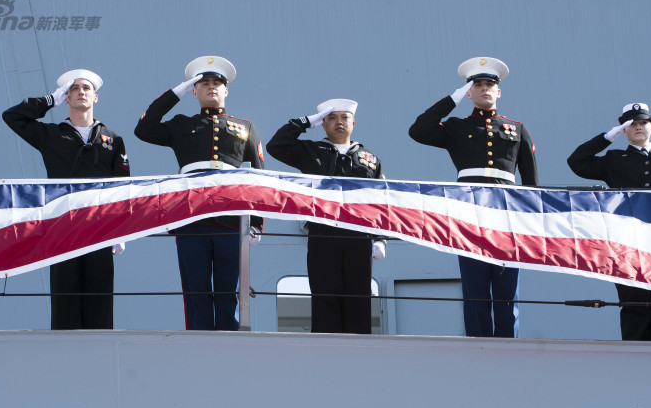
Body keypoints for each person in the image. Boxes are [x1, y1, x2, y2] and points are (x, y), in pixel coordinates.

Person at [409, 57, 538, 338]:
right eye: (477, 85)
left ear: (499, 91)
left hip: (507, 216)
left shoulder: (517, 129)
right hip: (469, 214)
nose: (484, 89)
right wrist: (452, 99)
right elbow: (417, 130)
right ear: (469, 92)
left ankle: (509, 348)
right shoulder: (456, 126)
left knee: (506, 290)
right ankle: (478, 348)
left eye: (490, 84)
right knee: (475, 288)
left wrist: (531, 225)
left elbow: (531, 184)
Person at [135, 56, 264, 331]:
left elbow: (258, 178)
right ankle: (198, 341)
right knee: (196, 290)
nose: (211, 87)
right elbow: (143, 129)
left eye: (217, 82)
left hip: (230, 219)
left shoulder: (245, 127)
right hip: (190, 217)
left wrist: (256, 224)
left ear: (226, 90)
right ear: (194, 92)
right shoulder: (180, 124)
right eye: (203, 83)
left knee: (229, 290)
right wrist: (175, 93)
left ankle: (229, 341)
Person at [3, 69, 130, 329]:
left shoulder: (114, 140)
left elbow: (122, 188)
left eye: (86, 88)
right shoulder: (50, 134)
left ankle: (99, 355)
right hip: (62, 225)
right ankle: (64, 354)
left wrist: (121, 231)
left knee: (100, 299)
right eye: (74, 89)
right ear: (66, 96)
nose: (81, 92)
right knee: (65, 296)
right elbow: (12, 117)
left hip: (99, 226)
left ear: (96, 97)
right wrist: (49, 100)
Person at [567, 102, 651, 342]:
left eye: (643, 122)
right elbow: (577, 162)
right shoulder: (614, 158)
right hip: (627, 238)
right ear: (624, 130)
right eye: (632, 124)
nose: (638, 127)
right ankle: (634, 356)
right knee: (633, 298)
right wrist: (608, 137)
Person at [268, 99, 385, 334]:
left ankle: (360, 353)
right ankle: (325, 353)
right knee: (325, 295)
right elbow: (276, 146)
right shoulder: (310, 151)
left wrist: (380, 237)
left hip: (358, 236)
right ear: (323, 124)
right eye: (331, 118)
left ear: (353, 122)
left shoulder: (369, 159)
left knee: (359, 299)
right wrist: (306, 122)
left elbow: (380, 200)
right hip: (323, 233)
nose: (339, 122)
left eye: (344, 117)